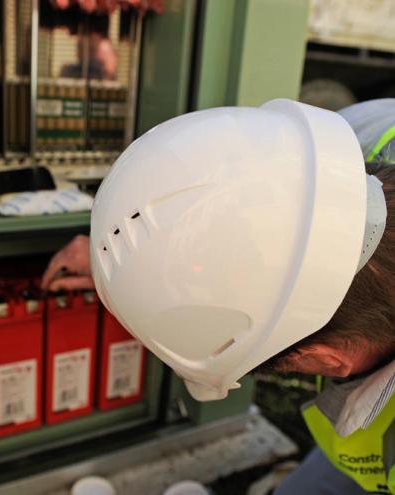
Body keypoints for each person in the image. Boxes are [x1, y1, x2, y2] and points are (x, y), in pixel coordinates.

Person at [41, 99, 395, 494]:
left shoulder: (331, 151)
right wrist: (137, 262)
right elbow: (242, 200)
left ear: (330, 360)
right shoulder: (353, 144)